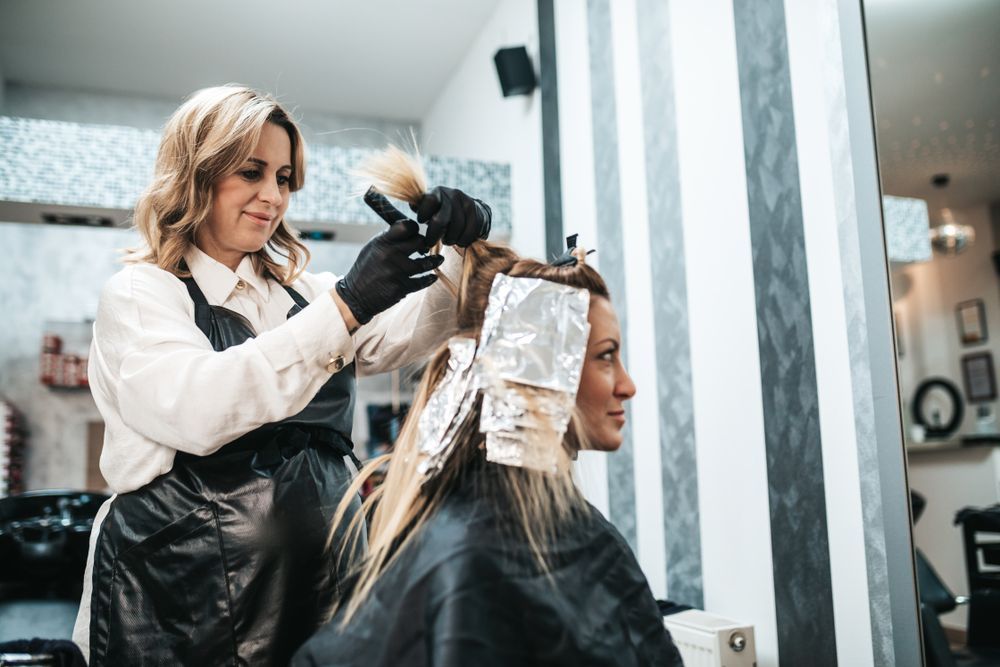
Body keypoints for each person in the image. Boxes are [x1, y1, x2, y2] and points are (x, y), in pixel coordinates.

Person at [72, 85, 491, 666]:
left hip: (316, 590)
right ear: (197, 173)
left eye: (286, 179)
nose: (273, 196)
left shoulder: (306, 296)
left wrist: (464, 250)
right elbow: (200, 410)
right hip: (177, 608)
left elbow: (416, 329)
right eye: (251, 172)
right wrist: (346, 306)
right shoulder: (143, 296)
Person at [292, 155, 683, 666]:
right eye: (606, 357)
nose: (628, 386)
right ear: (541, 371)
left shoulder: (493, 539)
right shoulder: (475, 561)